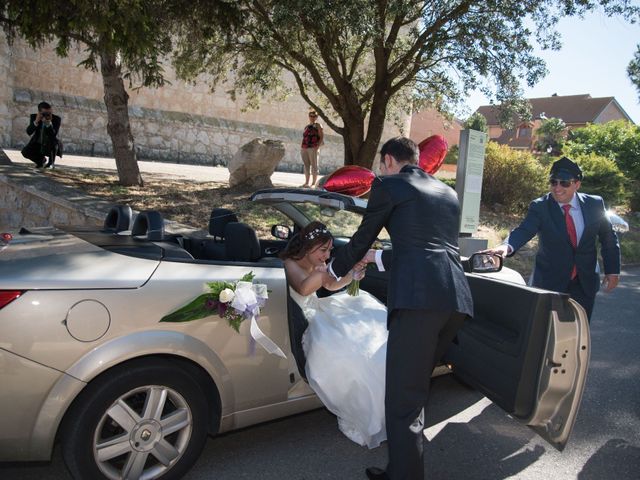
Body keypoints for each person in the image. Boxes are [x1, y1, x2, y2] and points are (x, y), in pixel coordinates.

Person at [329, 136, 473, 480]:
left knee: (402, 401)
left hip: (419, 302)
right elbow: (429, 250)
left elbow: (363, 237)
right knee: (414, 391)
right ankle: (399, 469)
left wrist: (333, 271)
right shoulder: (447, 193)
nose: (381, 170)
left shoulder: (389, 185)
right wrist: (376, 258)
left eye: (382, 165)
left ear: (390, 161)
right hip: (456, 300)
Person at [282, 221, 389, 449]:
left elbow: (331, 285)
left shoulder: (319, 263)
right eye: (323, 250)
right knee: (349, 352)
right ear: (308, 248)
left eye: (330, 250)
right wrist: (324, 274)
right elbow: (303, 288)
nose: (327, 255)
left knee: (370, 322)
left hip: (321, 308)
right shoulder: (290, 264)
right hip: (309, 318)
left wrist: (352, 274)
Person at [483, 156, 620, 321]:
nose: (557, 188)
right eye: (553, 182)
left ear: (577, 184)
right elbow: (524, 230)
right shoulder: (540, 206)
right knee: (547, 333)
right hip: (550, 282)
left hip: (584, 283)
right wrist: (506, 247)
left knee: (579, 334)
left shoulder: (594, 204)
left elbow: (608, 237)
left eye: (564, 183)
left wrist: (612, 270)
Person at [21, 101, 62, 169]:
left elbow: (53, 135)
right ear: (39, 112)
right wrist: (36, 121)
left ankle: (50, 163)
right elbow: (29, 132)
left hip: (50, 143)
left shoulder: (56, 119)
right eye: (44, 113)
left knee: (54, 144)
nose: (47, 115)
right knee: (25, 152)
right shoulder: (34, 117)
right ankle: (41, 161)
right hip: (38, 142)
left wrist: (49, 124)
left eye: (49, 113)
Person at [300, 110, 324, 187]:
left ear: (316, 117)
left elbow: (321, 137)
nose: (312, 117)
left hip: (313, 147)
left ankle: (313, 183)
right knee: (306, 165)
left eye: (314, 116)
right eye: (311, 116)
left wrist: (317, 146)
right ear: (309, 116)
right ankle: (306, 182)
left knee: (314, 165)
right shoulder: (306, 127)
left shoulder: (318, 125)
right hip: (304, 147)